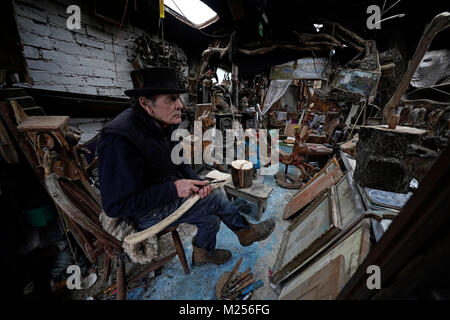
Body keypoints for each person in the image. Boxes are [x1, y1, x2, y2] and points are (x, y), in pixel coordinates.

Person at [97, 67, 275, 266]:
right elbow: (115, 206)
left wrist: (198, 182)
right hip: (142, 213)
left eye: (178, 98)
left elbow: (180, 162)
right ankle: (245, 232)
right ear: (145, 103)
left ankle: (202, 253)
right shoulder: (119, 138)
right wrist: (174, 189)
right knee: (215, 200)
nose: (180, 105)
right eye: (171, 99)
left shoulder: (164, 124)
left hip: (163, 191)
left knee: (210, 209)